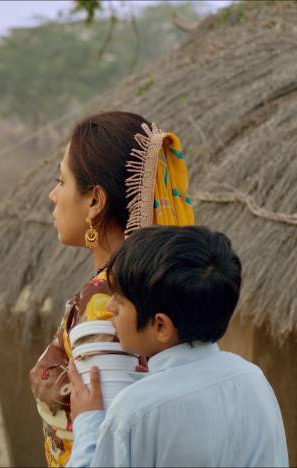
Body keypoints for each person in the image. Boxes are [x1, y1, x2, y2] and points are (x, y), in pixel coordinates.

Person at [29, 111, 195, 466]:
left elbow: (111, 445)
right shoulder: (141, 289)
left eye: (62, 181)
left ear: (95, 201)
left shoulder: (106, 302)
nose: (53, 195)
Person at [66, 226, 288, 467]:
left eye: (120, 298)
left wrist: (87, 423)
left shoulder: (133, 412)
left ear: (161, 326)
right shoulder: (254, 380)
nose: (110, 307)